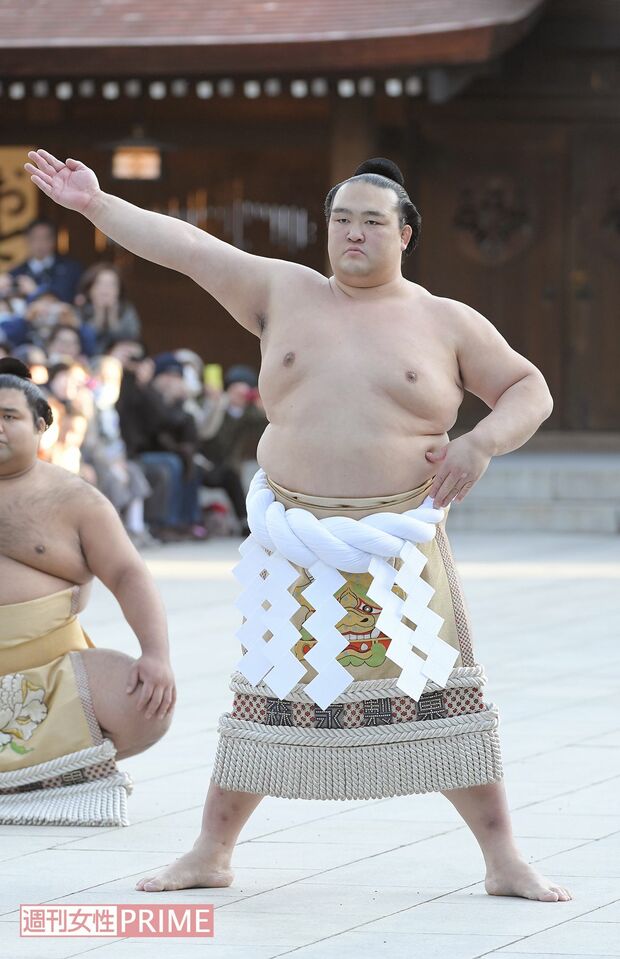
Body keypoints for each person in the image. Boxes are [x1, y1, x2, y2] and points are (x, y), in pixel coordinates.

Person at [25, 148, 570, 902]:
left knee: (446, 695)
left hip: (396, 543)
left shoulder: (445, 321)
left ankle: (504, 858)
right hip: (293, 540)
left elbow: (528, 388)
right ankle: (212, 850)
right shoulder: (282, 292)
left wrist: (482, 441)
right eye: (340, 219)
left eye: (372, 222)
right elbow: (187, 246)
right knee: (267, 692)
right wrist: (95, 205)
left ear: (405, 233)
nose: (352, 233)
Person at [0, 357, 175, 825]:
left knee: (144, 703)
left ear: (41, 426)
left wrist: (155, 653)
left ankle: (43, 770)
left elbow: (128, 575)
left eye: (8, 416)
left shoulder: (75, 500)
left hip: (48, 667)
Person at [0, 217, 82, 304]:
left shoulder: (71, 269)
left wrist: (36, 291)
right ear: (27, 240)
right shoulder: (15, 273)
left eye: (45, 238)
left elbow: (71, 299)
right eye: (35, 238)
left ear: (54, 240)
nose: (40, 243)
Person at [75, 262, 141, 354]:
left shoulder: (126, 309)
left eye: (111, 285)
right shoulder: (80, 308)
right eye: (100, 284)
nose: (105, 290)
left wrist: (112, 317)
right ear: (90, 288)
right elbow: (82, 342)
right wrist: (99, 314)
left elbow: (132, 338)